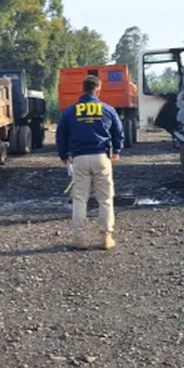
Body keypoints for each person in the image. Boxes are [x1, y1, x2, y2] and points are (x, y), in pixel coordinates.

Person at [56, 75, 125, 250]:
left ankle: (79, 239)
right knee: (105, 199)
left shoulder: (70, 111)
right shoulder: (108, 110)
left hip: (79, 158)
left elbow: (61, 135)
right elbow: (118, 132)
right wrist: (116, 151)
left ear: (83, 89)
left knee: (79, 199)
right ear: (98, 89)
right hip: (101, 157)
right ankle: (106, 238)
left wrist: (63, 155)